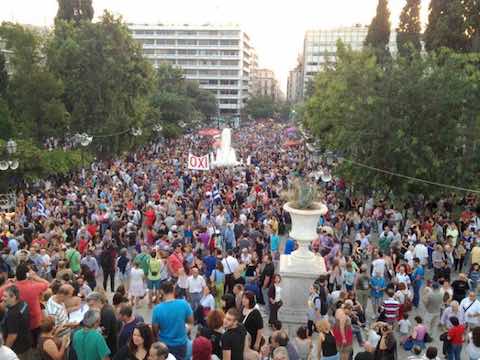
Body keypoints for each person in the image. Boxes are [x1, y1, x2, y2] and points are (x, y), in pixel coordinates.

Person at [0, 263, 49, 345]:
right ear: (27, 274)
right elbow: (47, 284)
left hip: (17, 324)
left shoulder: (10, 287)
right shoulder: (35, 286)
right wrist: (35, 277)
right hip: (34, 322)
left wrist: (8, 283)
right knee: (34, 343)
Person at [152, 280, 193, 360]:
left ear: (161, 291)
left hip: (164, 345)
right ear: (173, 289)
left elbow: (155, 330)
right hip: (181, 344)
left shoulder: (157, 309)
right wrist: (185, 330)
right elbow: (191, 322)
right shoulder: (184, 304)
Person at [1, 285, 33, 360]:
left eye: (5, 296)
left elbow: (12, 336)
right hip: (27, 341)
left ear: (14, 297)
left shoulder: (12, 315)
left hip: (18, 349)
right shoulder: (23, 303)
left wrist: (4, 351)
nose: (2, 298)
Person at [86, 291, 119, 356]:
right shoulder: (102, 309)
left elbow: (104, 335)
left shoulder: (106, 313)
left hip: (109, 348)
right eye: (89, 306)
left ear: (99, 301)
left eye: (92, 305)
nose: (90, 308)